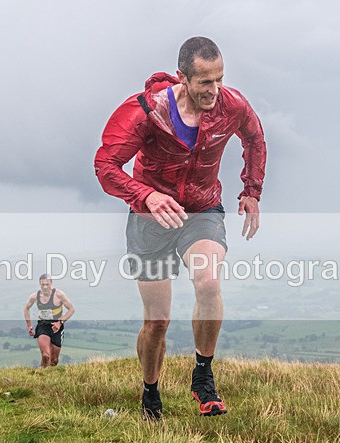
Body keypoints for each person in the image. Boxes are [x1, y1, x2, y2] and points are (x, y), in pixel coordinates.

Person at [94, 36, 267, 420]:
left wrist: (251, 190)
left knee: (208, 284)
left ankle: (203, 377)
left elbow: (254, 138)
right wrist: (146, 197)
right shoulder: (145, 112)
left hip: (203, 209)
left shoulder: (231, 105)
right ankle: (150, 392)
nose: (215, 90)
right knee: (157, 321)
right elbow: (105, 165)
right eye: (205, 82)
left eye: (219, 79)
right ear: (183, 78)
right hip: (151, 217)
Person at [23, 274, 75, 367]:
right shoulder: (35, 296)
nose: (45, 287)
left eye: (47, 284)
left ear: (51, 283)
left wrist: (60, 322)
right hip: (43, 326)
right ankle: (42, 374)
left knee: (54, 360)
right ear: (40, 284)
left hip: (57, 326)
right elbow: (26, 308)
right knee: (46, 355)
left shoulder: (59, 295)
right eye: (43, 285)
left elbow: (71, 309)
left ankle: (49, 374)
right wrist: (29, 325)